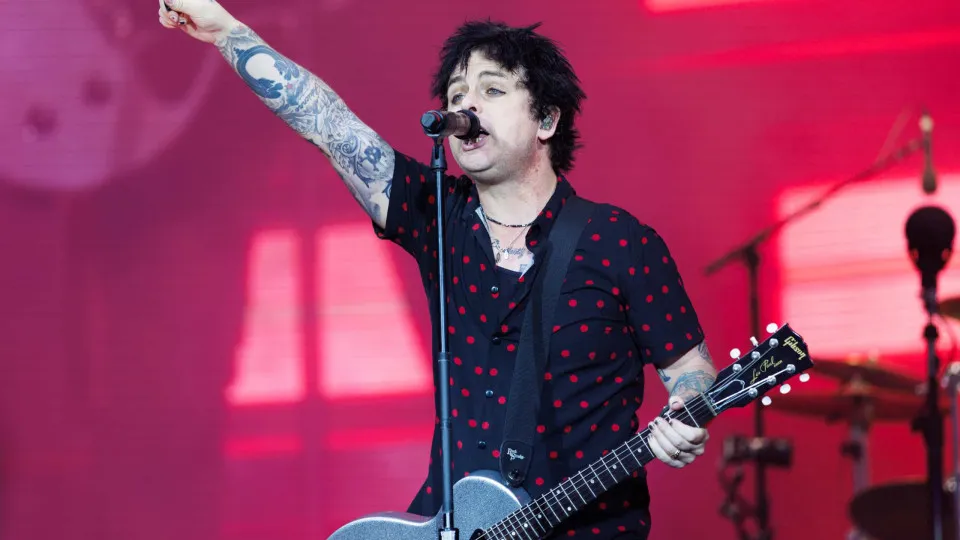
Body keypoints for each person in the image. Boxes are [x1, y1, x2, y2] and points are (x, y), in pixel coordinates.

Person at [158, 2, 718, 538]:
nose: (466, 107)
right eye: (456, 95)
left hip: (588, 528)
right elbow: (329, 124)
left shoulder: (619, 242)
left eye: (492, 90)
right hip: (453, 525)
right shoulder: (440, 219)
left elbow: (689, 369)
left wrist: (684, 414)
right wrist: (225, 30)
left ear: (546, 119)